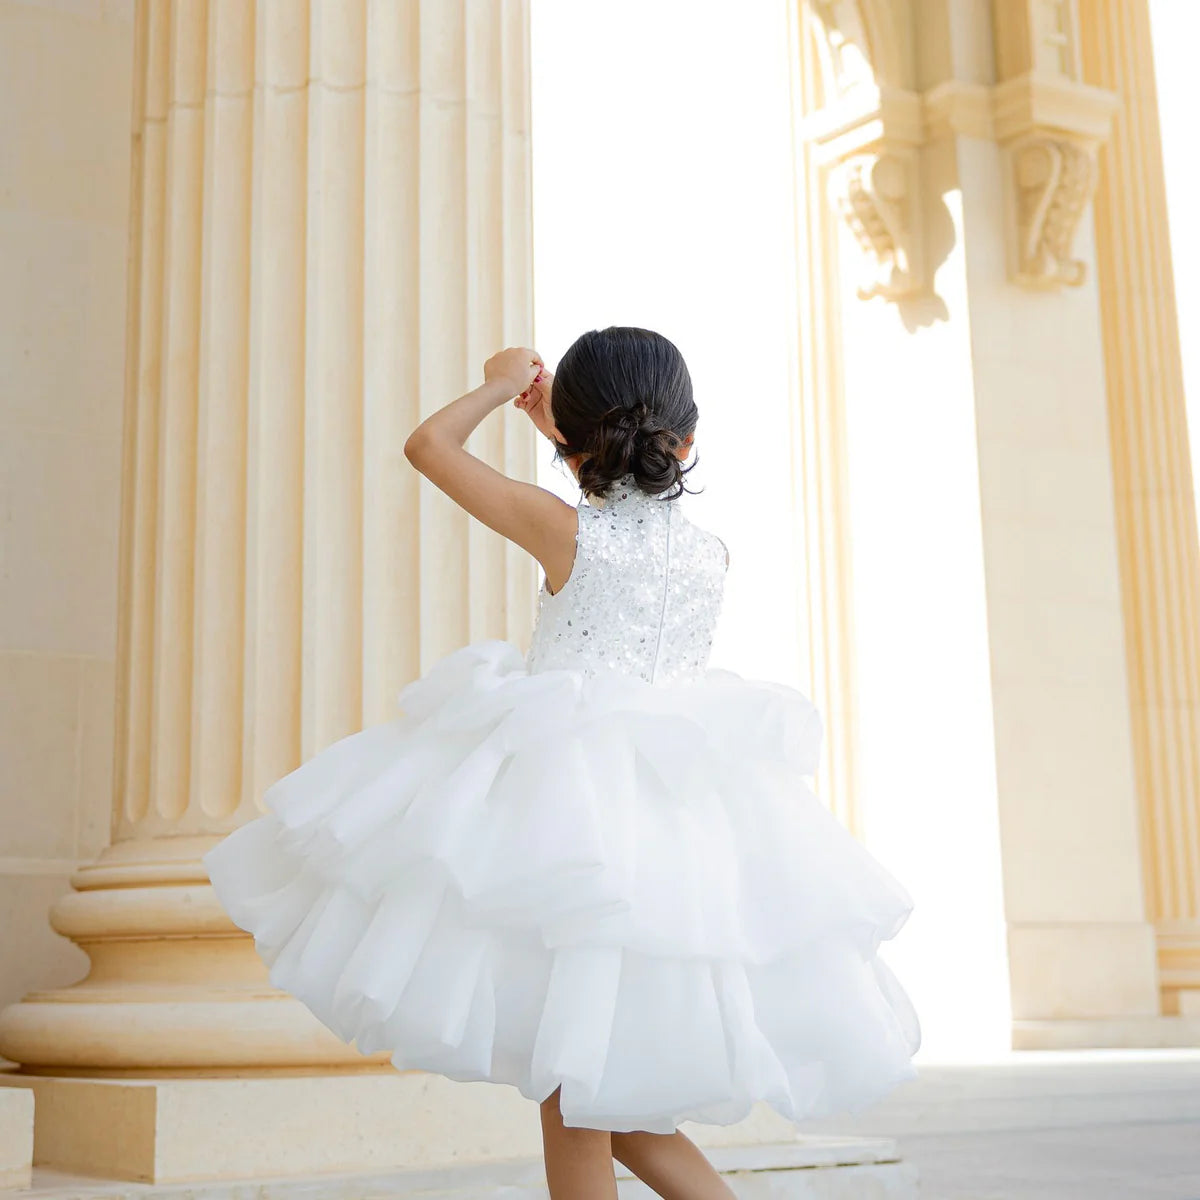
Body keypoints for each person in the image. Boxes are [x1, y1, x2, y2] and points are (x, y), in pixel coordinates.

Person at [203, 326, 921, 1199]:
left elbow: (429, 447)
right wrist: (560, 430)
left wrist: (501, 387)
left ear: (581, 441)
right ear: (688, 439)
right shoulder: (711, 555)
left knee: (579, 1097)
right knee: (610, 1101)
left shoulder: (562, 531)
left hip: (571, 837)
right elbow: (629, 507)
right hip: (676, 843)